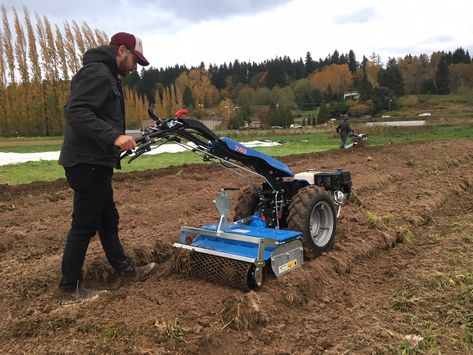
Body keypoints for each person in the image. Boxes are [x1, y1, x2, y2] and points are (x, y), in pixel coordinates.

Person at [58, 32, 156, 304]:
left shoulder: (108, 76)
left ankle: (125, 271)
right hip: (86, 162)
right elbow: (76, 112)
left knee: (108, 220)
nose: (136, 67)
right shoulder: (98, 73)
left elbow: (97, 115)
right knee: (84, 226)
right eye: (135, 60)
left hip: (96, 162)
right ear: (122, 51)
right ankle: (69, 289)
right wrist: (113, 137)